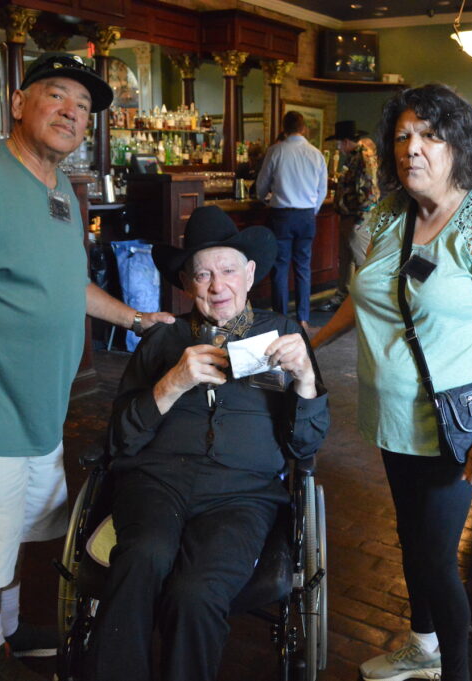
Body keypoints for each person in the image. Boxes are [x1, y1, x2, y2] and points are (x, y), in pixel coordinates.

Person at [0, 52, 173, 681]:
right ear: (19, 103)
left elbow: (69, 285)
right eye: (58, 97)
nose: (72, 113)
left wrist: (139, 321)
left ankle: (9, 631)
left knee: (18, 531)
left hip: (38, 410)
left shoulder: (59, 190)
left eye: (83, 108)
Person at [312, 83, 472, 681]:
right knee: (411, 540)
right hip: (391, 417)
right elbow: (371, 296)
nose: (413, 147)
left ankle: (454, 671)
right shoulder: (389, 212)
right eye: (403, 135)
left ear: (458, 144)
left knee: (435, 557)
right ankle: (421, 646)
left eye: (430, 135)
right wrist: (313, 341)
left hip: (451, 424)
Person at [84, 205, 330, 681]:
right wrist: (171, 384)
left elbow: (305, 446)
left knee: (197, 592)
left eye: (228, 271)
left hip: (244, 493)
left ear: (250, 273)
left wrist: (304, 379)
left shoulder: (282, 336)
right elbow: (120, 439)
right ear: (186, 284)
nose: (217, 286)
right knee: (142, 557)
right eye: (202, 275)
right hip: (157, 482)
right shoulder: (162, 341)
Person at [255, 111, 328, 334]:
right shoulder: (316, 154)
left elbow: (262, 185)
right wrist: (311, 210)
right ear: (304, 128)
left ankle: (281, 318)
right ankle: (304, 318)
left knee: (280, 268)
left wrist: (263, 199)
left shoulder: (276, 151)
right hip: (306, 216)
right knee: (303, 268)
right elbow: (322, 191)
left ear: (284, 128)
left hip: (281, 216)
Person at [320, 120, 380, 312]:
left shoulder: (364, 157)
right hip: (348, 216)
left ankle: (369, 302)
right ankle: (343, 297)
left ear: (345, 141)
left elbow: (370, 191)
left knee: (361, 260)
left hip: (358, 218)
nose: (337, 146)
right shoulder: (354, 157)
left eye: (338, 142)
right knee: (345, 259)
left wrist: (361, 219)